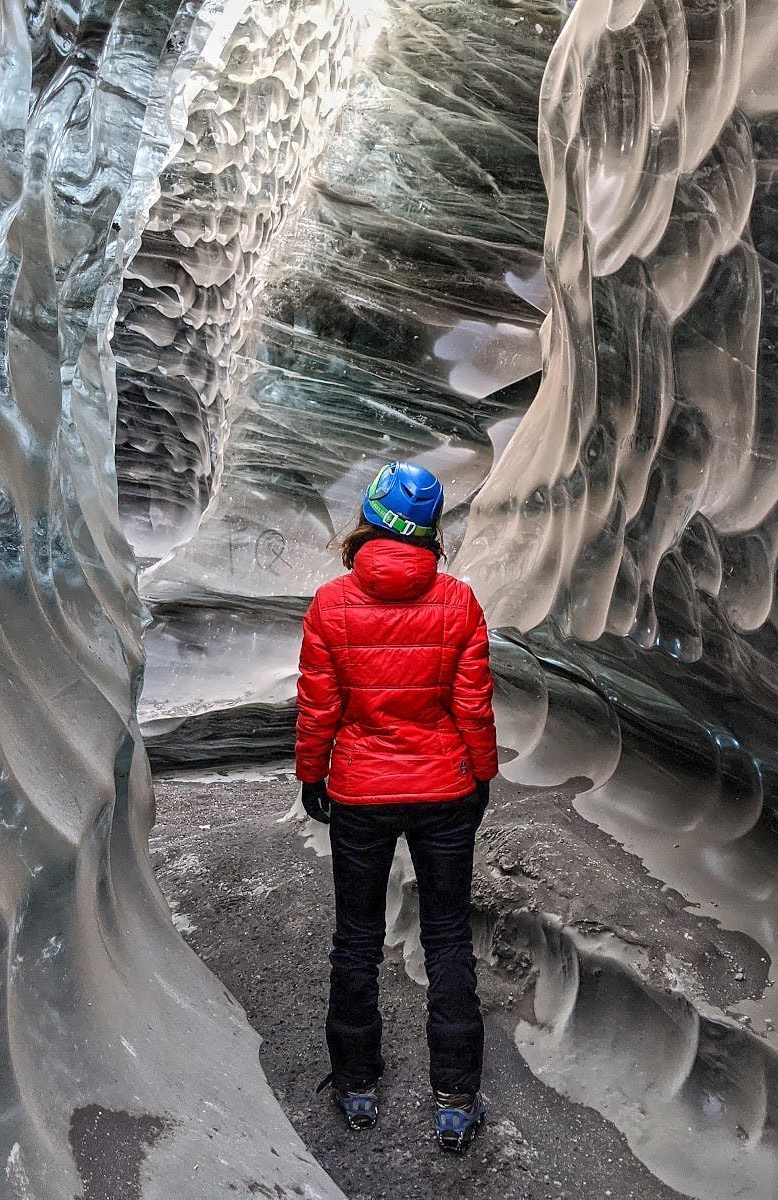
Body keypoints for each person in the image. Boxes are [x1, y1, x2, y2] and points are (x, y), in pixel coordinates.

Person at [293, 461, 499, 1152]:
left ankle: (356, 1084)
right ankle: (455, 1099)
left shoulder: (332, 604)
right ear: (431, 529)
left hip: (359, 790)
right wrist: (482, 776)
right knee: (446, 938)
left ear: (369, 519)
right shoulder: (459, 601)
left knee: (355, 937)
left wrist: (311, 775)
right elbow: (472, 703)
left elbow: (319, 704)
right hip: (443, 790)